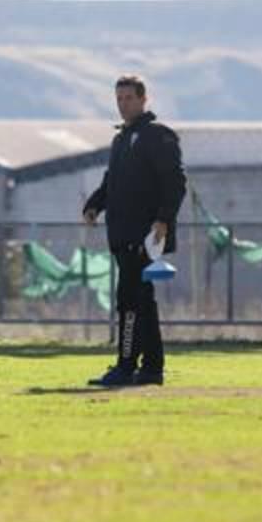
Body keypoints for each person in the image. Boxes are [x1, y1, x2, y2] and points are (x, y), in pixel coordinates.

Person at [82, 74, 186, 387]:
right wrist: (95, 204)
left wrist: (163, 219)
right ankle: (152, 368)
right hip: (121, 233)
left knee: (129, 300)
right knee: (142, 300)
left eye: (128, 98)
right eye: (119, 99)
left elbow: (175, 182)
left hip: (145, 235)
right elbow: (111, 181)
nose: (123, 104)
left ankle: (126, 366)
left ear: (143, 99)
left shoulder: (157, 136)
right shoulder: (121, 138)